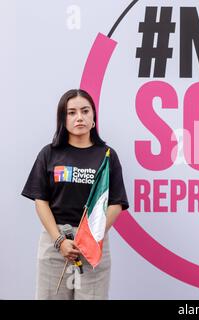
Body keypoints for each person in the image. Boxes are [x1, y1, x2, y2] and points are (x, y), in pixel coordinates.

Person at [21, 89, 129, 299]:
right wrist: (59, 240)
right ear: (63, 119)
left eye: (85, 111)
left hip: (92, 242)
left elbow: (116, 203)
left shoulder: (107, 155)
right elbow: (40, 200)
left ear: (93, 117)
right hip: (55, 241)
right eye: (71, 112)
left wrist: (89, 237)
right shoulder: (49, 153)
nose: (79, 117)